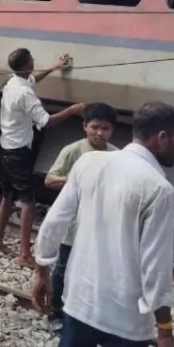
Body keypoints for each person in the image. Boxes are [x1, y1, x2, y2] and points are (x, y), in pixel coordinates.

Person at [32, 102, 174, 347]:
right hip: (125, 319)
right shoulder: (159, 189)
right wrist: (164, 331)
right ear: (161, 138)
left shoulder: (89, 162)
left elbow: (54, 221)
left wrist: (42, 271)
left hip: (80, 302)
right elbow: (156, 267)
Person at [0, 48, 85, 267]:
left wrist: (54, 67)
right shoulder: (25, 93)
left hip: (5, 145)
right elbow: (46, 121)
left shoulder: (13, 81)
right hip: (18, 152)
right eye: (31, 60)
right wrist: (72, 111)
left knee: (7, 195)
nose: (34, 61)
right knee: (28, 201)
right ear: (26, 64)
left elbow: (33, 78)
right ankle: (24, 254)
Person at [43, 102, 119, 330]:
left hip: (100, 225)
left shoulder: (116, 155)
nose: (99, 133)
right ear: (85, 126)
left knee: (93, 269)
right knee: (63, 268)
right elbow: (49, 179)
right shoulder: (73, 151)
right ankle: (55, 311)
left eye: (105, 128)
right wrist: (76, 179)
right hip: (73, 225)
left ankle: (83, 312)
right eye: (95, 127)